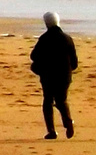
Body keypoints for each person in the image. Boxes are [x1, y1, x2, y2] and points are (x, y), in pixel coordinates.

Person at [30, 11, 78, 140]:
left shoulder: (44, 39)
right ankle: (68, 122)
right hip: (64, 75)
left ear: (46, 23)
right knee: (62, 100)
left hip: (48, 75)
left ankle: (51, 131)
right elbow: (74, 63)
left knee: (48, 101)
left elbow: (33, 56)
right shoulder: (67, 38)